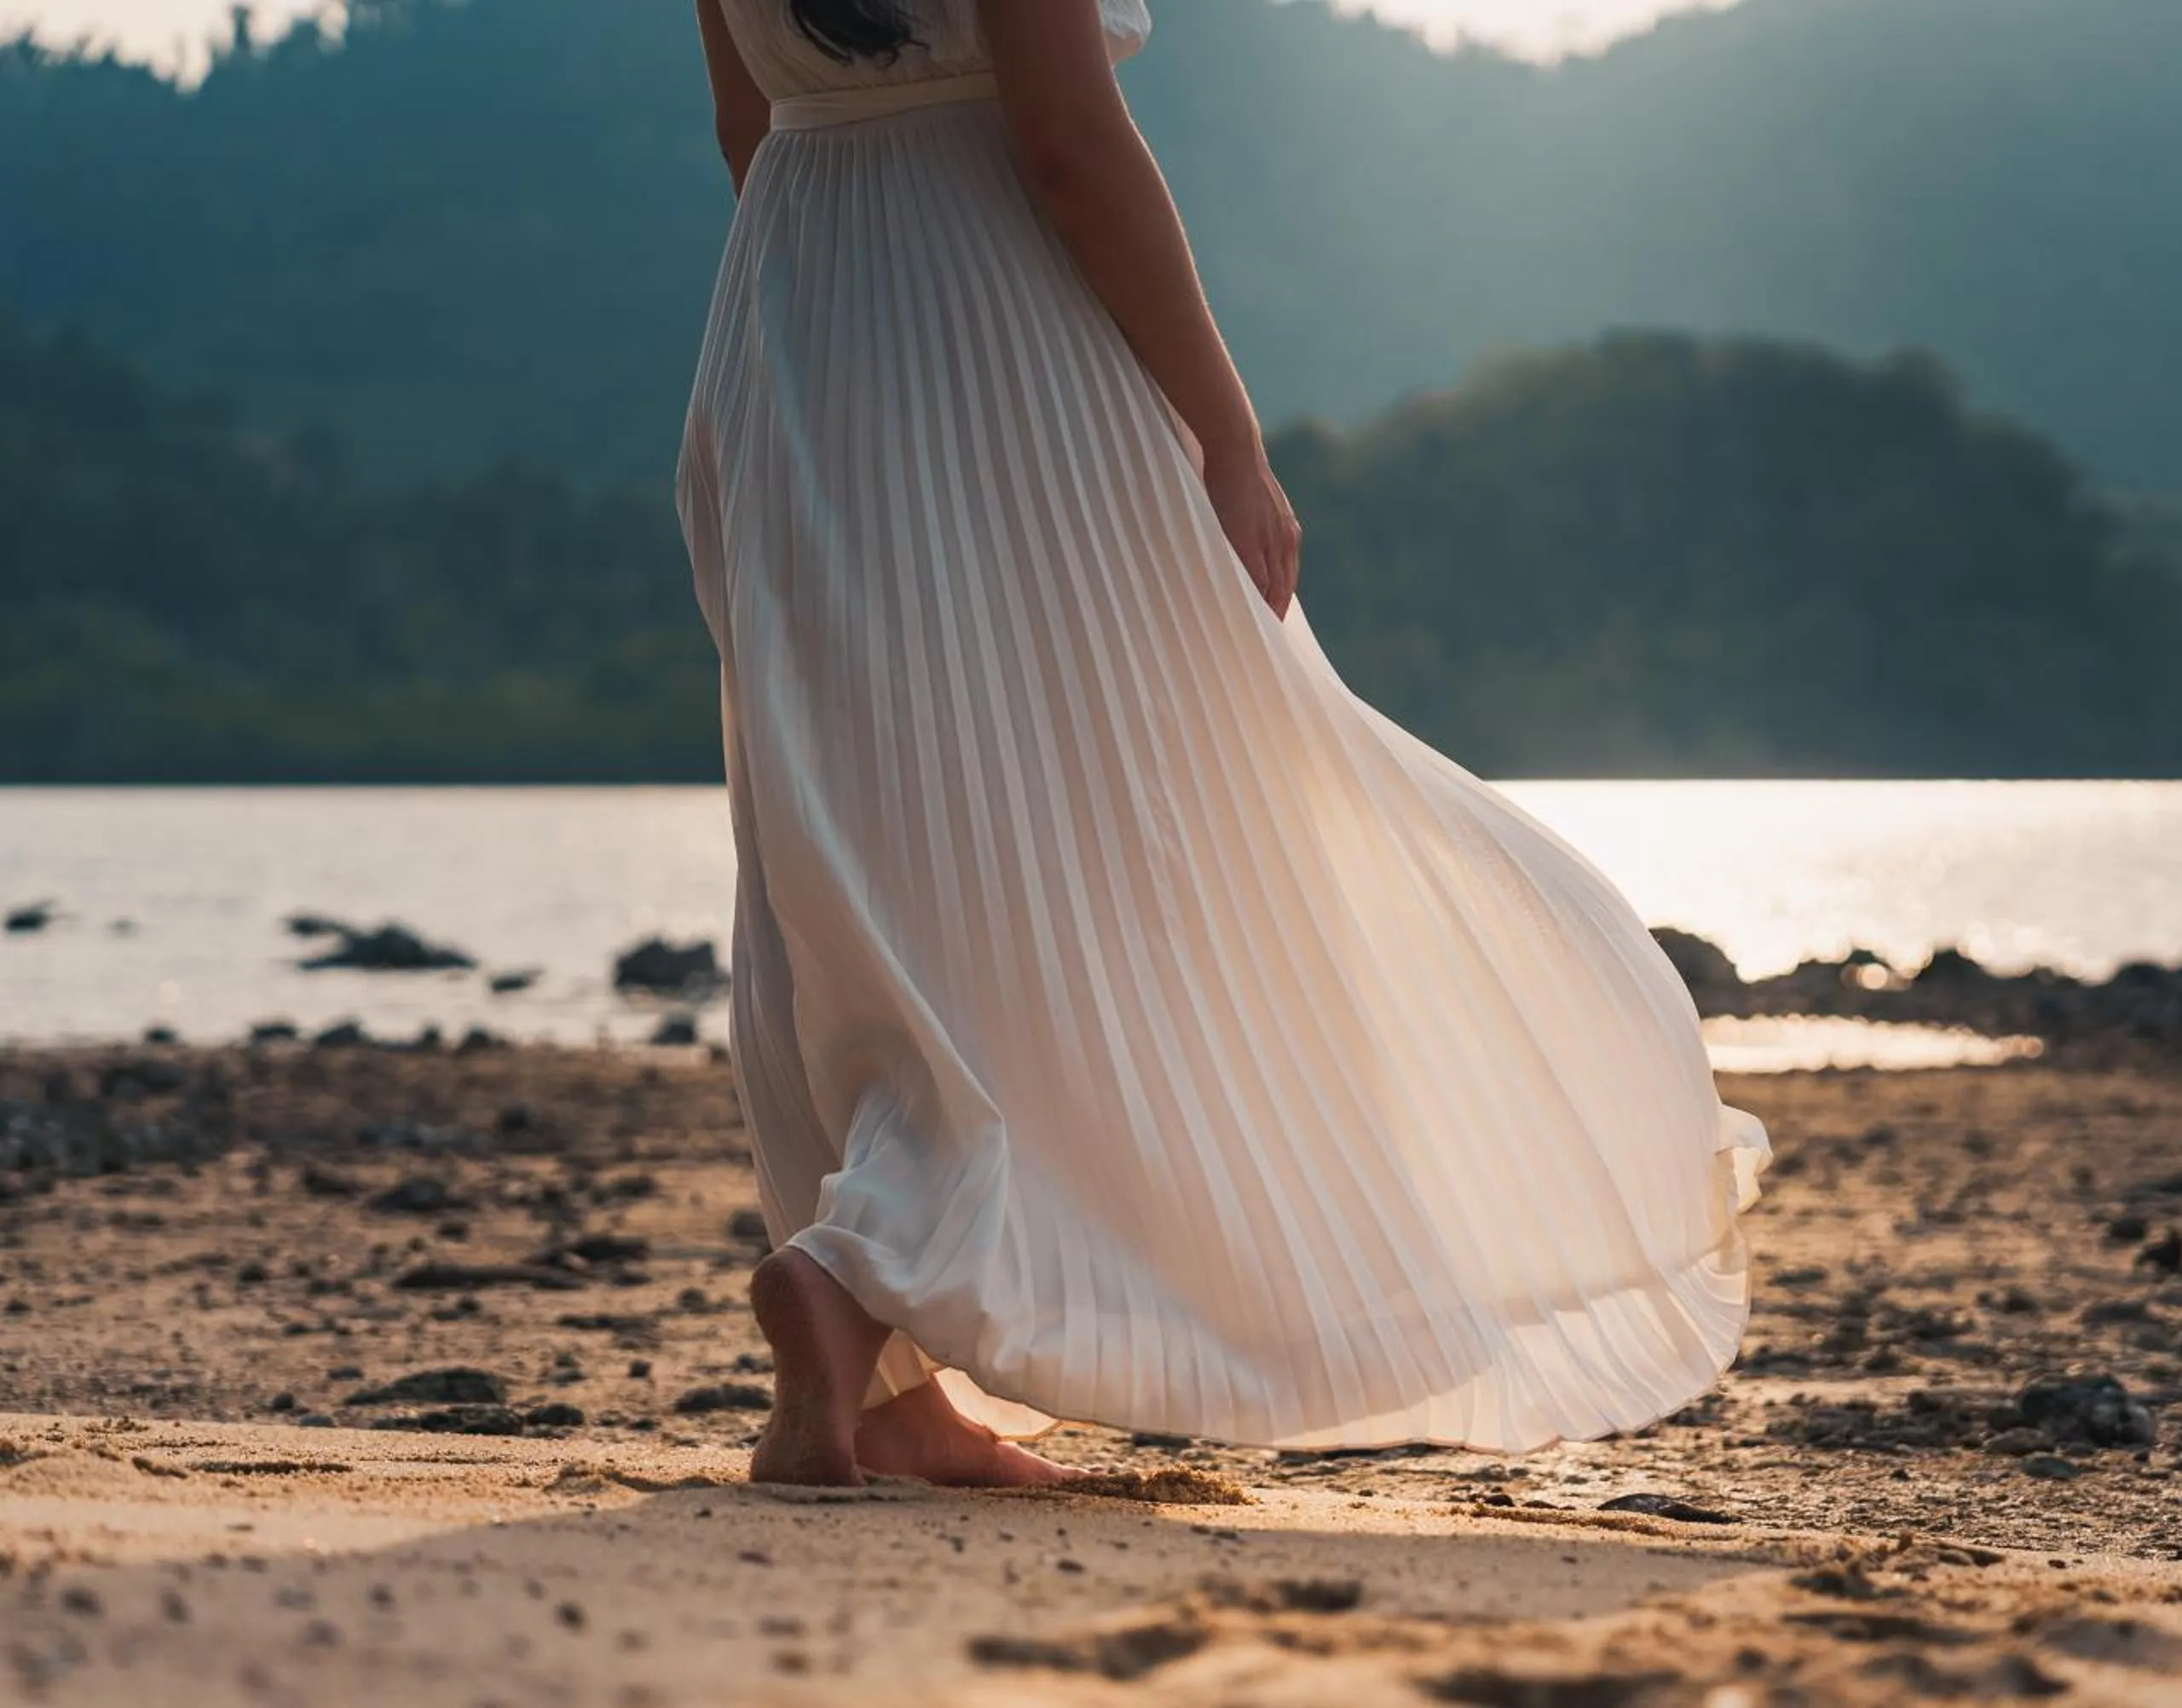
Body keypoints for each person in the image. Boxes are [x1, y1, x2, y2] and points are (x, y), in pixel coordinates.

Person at [678, 0, 1770, 1488]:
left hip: (791, 327)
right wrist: (1227, 433)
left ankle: (883, 1374)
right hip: (988, 324)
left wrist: (833, 337)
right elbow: (1070, 146)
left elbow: (750, 126)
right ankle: (864, 1276)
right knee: (1124, 822)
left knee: (846, 854)